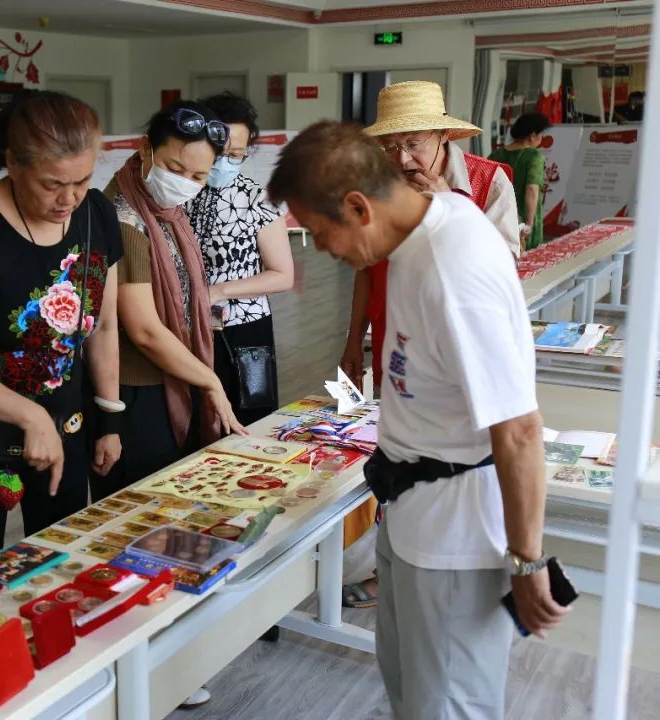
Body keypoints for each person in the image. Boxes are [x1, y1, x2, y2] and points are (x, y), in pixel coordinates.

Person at [268, 120, 567, 719]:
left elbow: (519, 430)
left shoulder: (454, 271)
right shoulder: (416, 229)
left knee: (449, 705)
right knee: (412, 694)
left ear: (359, 207)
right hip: (410, 517)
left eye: (321, 233)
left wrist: (528, 559)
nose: (321, 251)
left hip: (457, 542)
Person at [0, 90, 124, 576]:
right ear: (12, 163)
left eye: (82, 181)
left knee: (63, 560)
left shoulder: (96, 214)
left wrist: (108, 418)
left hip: (66, 423)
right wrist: (30, 416)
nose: (69, 199)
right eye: (52, 184)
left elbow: (103, 326)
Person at [338, 81, 520, 608]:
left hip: (461, 348)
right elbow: (367, 269)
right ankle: (389, 561)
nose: (401, 158)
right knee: (395, 447)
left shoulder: (488, 182)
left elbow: (504, 268)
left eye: (413, 143)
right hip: (395, 340)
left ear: (443, 136)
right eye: (389, 146)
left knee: (459, 453)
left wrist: (449, 204)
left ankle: (462, 563)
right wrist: (353, 344)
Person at [91, 100, 247, 502]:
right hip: (135, 393)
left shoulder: (168, 213)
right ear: (146, 148)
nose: (184, 183)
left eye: (198, 176)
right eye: (175, 169)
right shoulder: (124, 218)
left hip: (172, 377)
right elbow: (144, 330)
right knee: (139, 508)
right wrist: (209, 380)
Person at [188, 92, 293, 426]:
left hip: (245, 329)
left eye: (236, 155)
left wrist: (219, 291)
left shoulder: (257, 200)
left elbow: (282, 275)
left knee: (250, 419)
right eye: (220, 152)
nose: (225, 163)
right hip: (185, 327)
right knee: (196, 420)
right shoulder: (178, 193)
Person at [489, 112, 552, 252]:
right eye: (541, 134)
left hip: (499, 220)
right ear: (533, 135)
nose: (542, 138)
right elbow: (532, 190)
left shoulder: (495, 155)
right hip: (522, 221)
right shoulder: (533, 156)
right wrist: (529, 225)